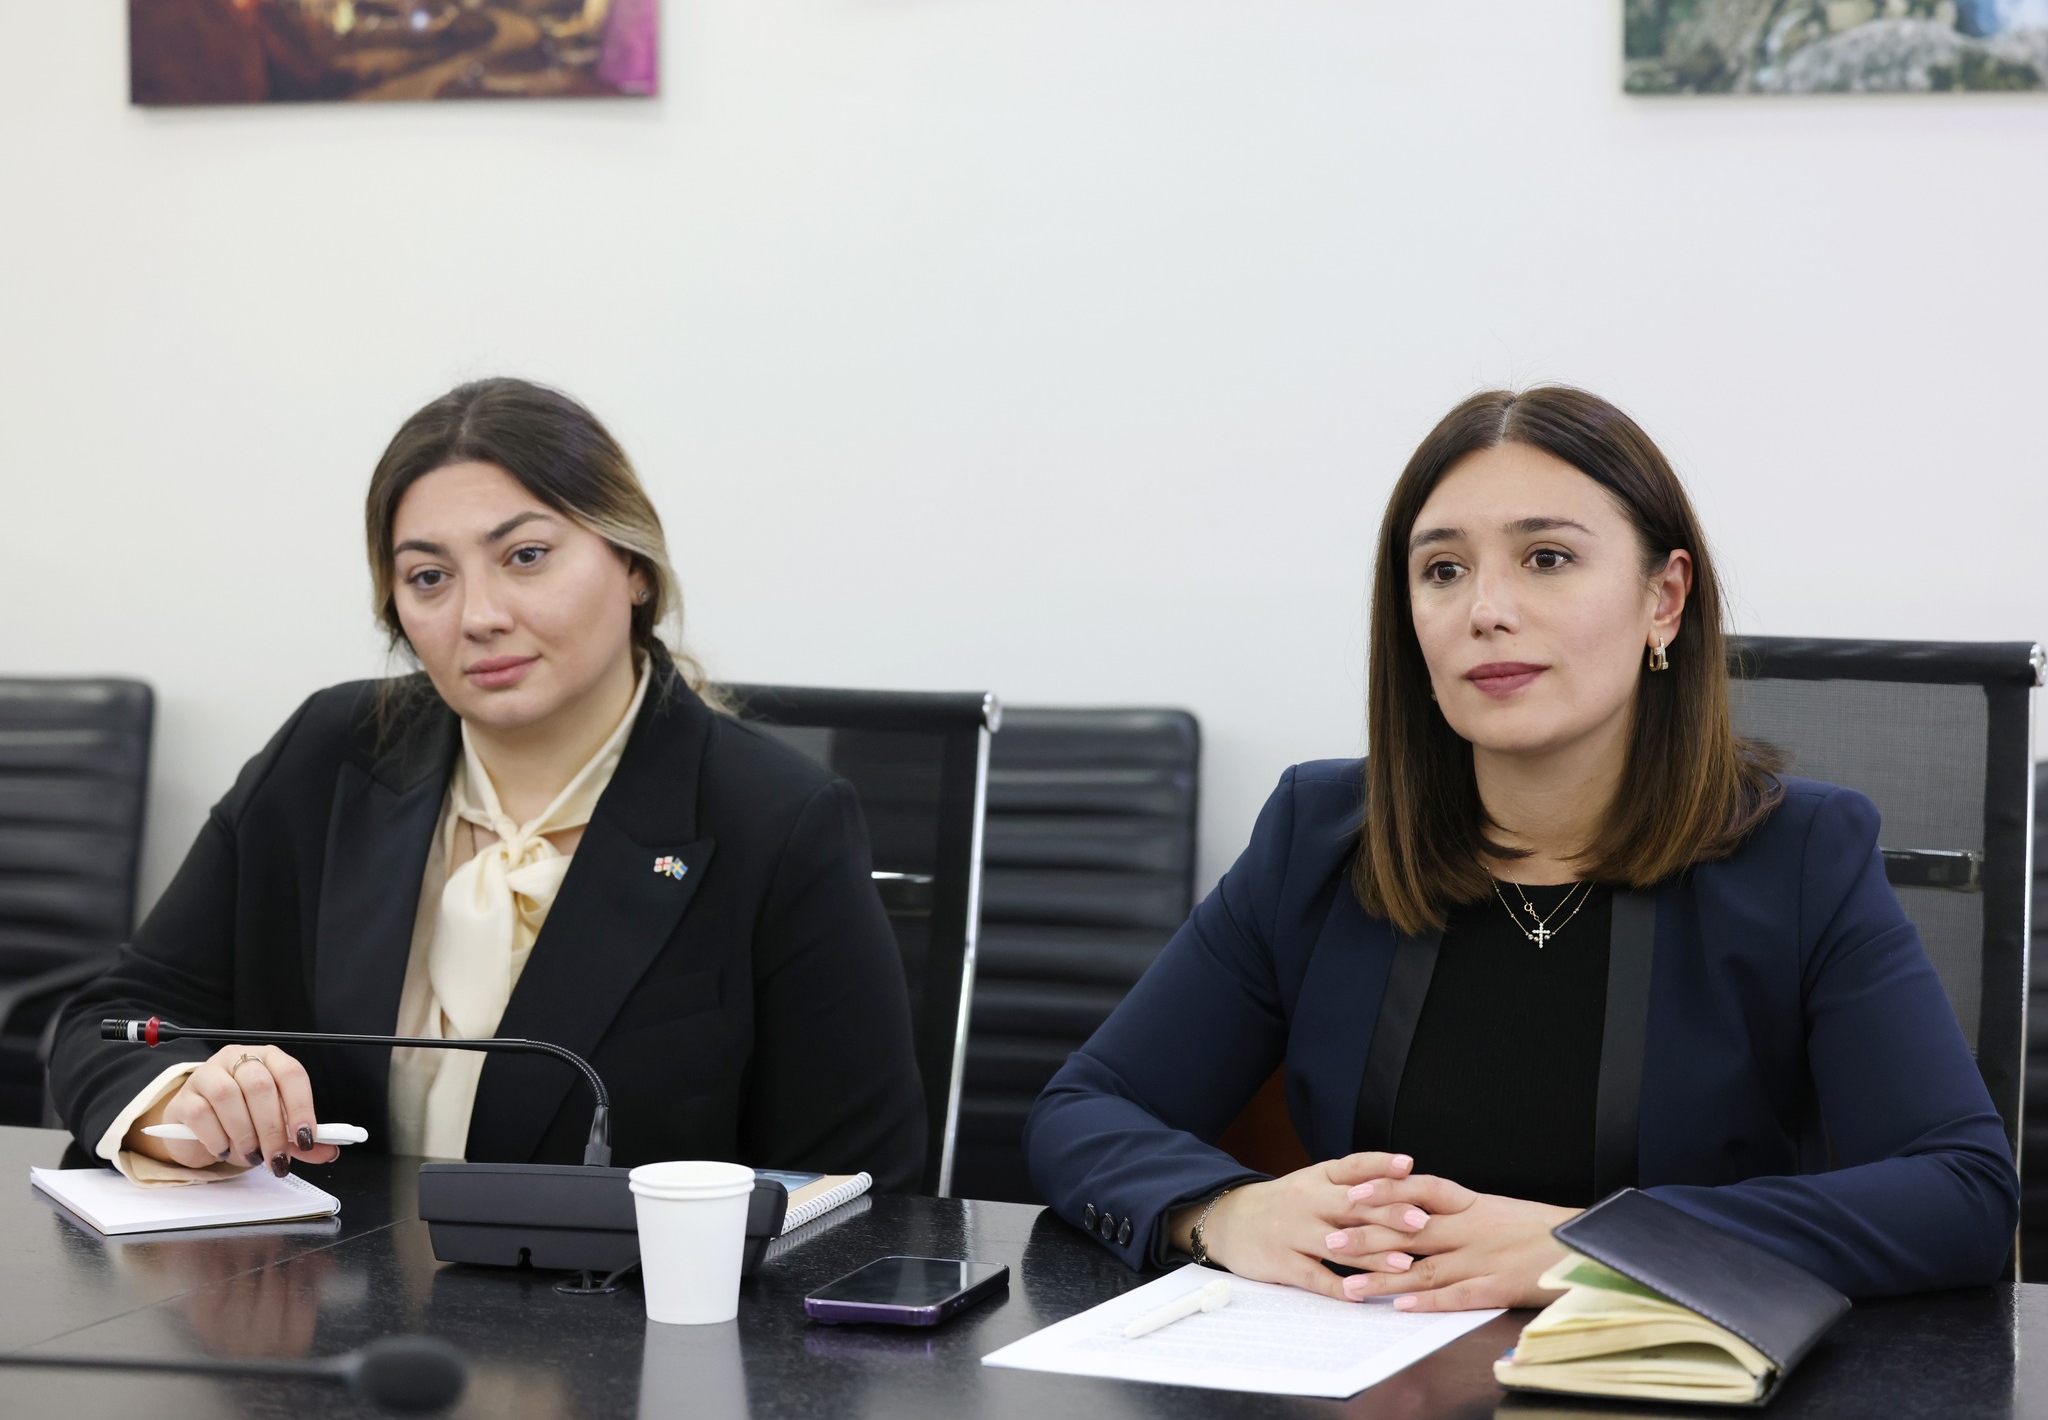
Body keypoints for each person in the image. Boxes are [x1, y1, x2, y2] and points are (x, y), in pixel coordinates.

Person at [1024, 386, 2017, 1308]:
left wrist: (1601, 1246)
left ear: (1663, 599)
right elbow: (1086, 1107)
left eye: (1545, 558)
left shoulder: (1799, 855)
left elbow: (1962, 1192)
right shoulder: (1318, 835)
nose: (1485, 609)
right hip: (1366, 1373)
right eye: (1442, 569)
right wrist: (1221, 1211)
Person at [50, 378, 926, 1191]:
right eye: (430, 577)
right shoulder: (331, 753)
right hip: (324, 1299)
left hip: (620, 1308)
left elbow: (857, 1195)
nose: (480, 616)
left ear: (634, 565)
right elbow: (112, 1020)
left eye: (526, 555)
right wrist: (178, 1106)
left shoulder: (776, 819)